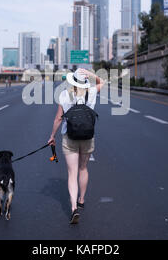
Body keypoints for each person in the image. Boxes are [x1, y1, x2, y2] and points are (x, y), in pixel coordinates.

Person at [48, 68, 105, 224]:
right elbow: (102, 82)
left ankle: (73, 208)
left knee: (72, 173)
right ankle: (81, 199)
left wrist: (52, 136)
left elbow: (58, 119)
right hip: (87, 137)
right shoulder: (91, 92)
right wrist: (90, 73)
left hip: (69, 137)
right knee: (83, 169)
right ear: (85, 81)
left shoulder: (65, 95)